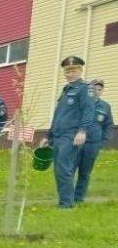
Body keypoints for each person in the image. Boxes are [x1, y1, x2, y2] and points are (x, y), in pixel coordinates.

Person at [39, 56, 96, 209]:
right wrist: (48, 137)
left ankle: (66, 204)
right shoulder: (66, 90)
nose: (70, 73)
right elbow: (58, 116)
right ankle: (65, 201)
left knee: (64, 168)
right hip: (58, 136)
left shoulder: (86, 88)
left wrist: (82, 131)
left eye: (73, 70)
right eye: (67, 70)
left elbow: (89, 112)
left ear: (80, 70)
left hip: (71, 136)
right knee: (59, 169)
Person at [74, 78, 112, 204]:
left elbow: (108, 126)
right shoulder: (81, 103)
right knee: (70, 170)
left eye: (100, 89)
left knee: (85, 173)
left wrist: (102, 143)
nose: (97, 91)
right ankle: (67, 197)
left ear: (102, 91)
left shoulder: (105, 107)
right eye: (95, 88)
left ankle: (78, 199)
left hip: (93, 145)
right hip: (77, 143)